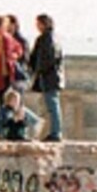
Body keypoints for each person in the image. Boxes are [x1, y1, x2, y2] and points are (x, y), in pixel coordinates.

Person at [28, 13, 65, 142]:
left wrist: (38, 70)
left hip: (49, 76)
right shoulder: (52, 38)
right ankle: (53, 131)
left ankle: (56, 132)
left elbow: (47, 58)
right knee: (50, 106)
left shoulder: (47, 39)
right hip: (50, 76)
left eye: (38, 23)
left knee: (52, 104)